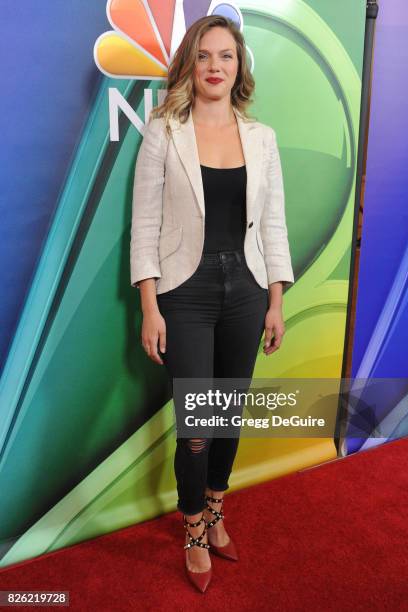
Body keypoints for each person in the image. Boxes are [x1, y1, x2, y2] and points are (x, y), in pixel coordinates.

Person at [130, 14, 294, 593]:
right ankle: (193, 525)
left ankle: (217, 505)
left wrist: (276, 299)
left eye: (225, 56)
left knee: (227, 413)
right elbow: (144, 224)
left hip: (247, 289)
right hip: (185, 291)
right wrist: (150, 306)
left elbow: (273, 224)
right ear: (190, 65)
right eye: (204, 56)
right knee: (196, 424)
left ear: (239, 65)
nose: (215, 67)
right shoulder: (163, 131)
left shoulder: (262, 137)